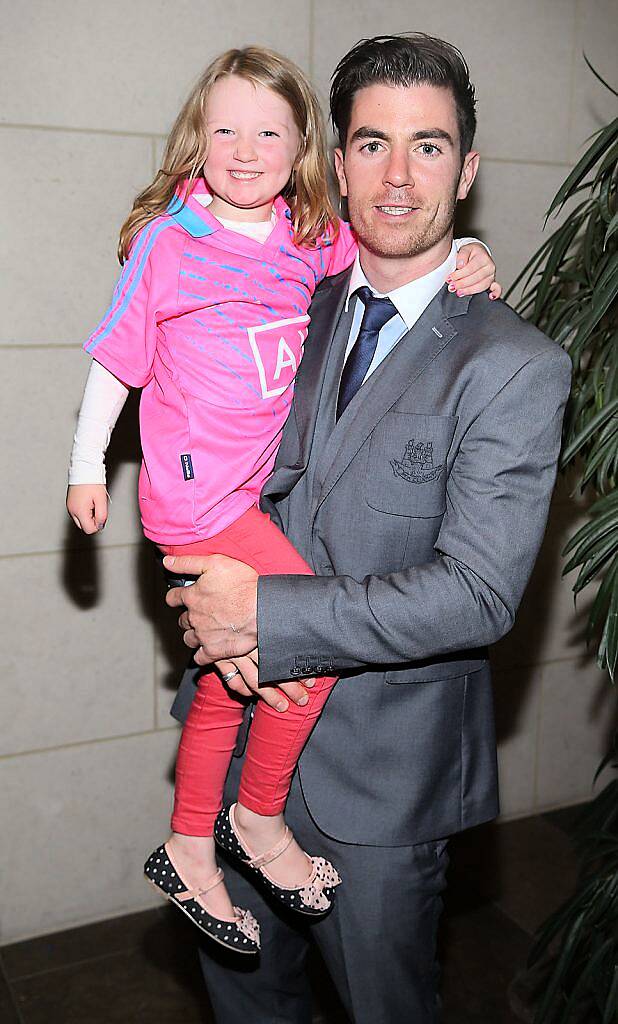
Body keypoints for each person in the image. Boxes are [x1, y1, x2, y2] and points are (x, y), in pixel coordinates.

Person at [165, 32, 572, 1024]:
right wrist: (204, 597)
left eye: (428, 147)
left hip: (380, 791)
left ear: (467, 169)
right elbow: (196, 444)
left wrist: (258, 609)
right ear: (334, 163)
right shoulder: (275, 301)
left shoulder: (514, 365)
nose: (397, 177)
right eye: (371, 144)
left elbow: (477, 593)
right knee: (246, 1008)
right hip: (231, 742)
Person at [65, 45, 498, 956]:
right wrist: (87, 467)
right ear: (197, 139)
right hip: (197, 505)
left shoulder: (308, 245)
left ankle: (190, 841)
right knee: (305, 654)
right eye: (224, 129)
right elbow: (116, 357)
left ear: (302, 152)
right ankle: (255, 822)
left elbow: (390, 244)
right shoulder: (173, 242)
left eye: (268, 131)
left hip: (241, 513)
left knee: (241, 668)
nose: (246, 148)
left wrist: (464, 249)